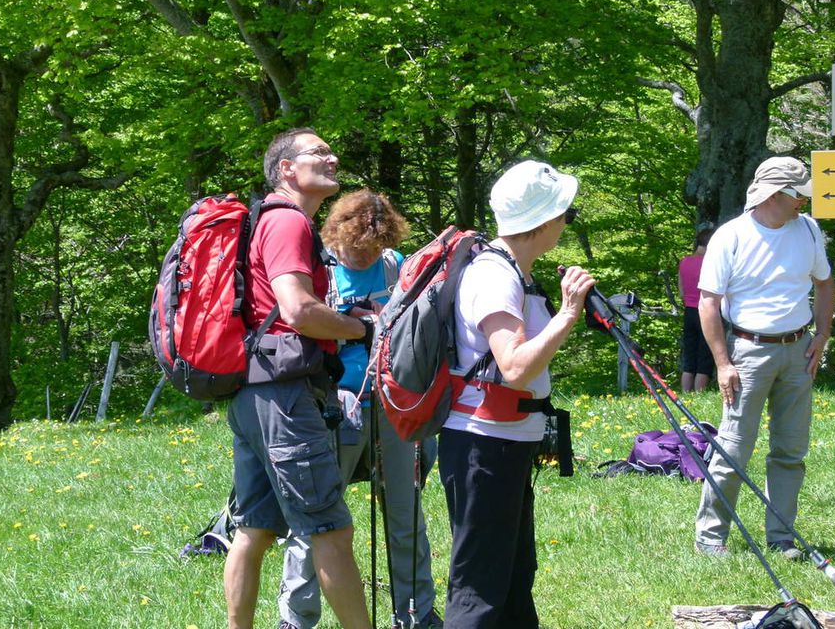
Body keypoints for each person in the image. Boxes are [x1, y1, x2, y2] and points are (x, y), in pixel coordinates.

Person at [224, 128, 372, 629]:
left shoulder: (264, 220)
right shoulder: (289, 223)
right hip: (286, 395)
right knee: (330, 529)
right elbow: (299, 311)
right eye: (318, 152)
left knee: (256, 529)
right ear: (286, 168)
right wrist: (361, 327)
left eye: (332, 149)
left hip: (254, 390)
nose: (332, 157)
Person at [438, 160, 595, 628]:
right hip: (482, 443)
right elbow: (514, 368)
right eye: (564, 213)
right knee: (481, 587)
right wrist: (568, 315)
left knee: (512, 577)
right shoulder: (494, 274)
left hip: (503, 441)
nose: (567, 222)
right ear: (543, 221)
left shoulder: (513, 270)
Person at [277, 190, 442, 629]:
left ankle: (417, 612)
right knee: (316, 517)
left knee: (405, 513)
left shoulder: (396, 265)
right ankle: (296, 618)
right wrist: (349, 320)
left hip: (392, 404)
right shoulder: (318, 269)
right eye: (355, 246)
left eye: (373, 245)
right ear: (337, 234)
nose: (363, 253)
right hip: (332, 404)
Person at [694, 156, 835, 559]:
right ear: (777, 195)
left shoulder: (808, 230)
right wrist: (723, 363)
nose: (804, 204)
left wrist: (821, 336)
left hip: (798, 350)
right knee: (734, 447)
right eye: (799, 197)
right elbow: (709, 303)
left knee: (790, 449)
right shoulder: (731, 236)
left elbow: (825, 284)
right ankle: (710, 537)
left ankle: (781, 537)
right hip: (747, 352)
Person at [678, 228, 715, 392]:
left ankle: (686, 394)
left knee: (689, 355)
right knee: (705, 355)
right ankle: (699, 394)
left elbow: (681, 292)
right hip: (705, 311)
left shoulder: (685, 261)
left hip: (689, 311)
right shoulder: (711, 263)